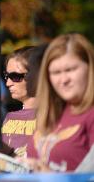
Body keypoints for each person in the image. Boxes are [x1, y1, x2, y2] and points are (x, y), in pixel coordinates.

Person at [26, 33, 94, 172]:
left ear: (90, 68)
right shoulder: (50, 112)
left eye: (70, 70)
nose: (64, 80)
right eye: (56, 72)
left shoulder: (91, 115)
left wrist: (50, 175)